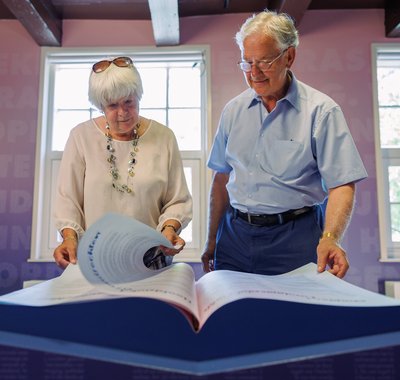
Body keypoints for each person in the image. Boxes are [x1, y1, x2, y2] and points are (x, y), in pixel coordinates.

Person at [201, 10, 367, 279]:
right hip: (235, 235)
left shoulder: (321, 111)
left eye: (264, 61)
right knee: (234, 317)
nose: (254, 73)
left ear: (289, 56)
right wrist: (211, 240)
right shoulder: (233, 110)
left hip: (296, 236)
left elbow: (342, 183)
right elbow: (221, 178)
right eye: (246, 62)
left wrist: (330, 238)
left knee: (297, 318)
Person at [53, 56, 192, 269]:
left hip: (150, 258)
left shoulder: (164, 137)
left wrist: (169, 229)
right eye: (112, 105)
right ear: (100, 105)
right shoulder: (81, 137)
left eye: (129, 102)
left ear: (138, 96)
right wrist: (69, 237)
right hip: (95, 259)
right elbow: (67, 200)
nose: (122, 113)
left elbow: (178, 199)